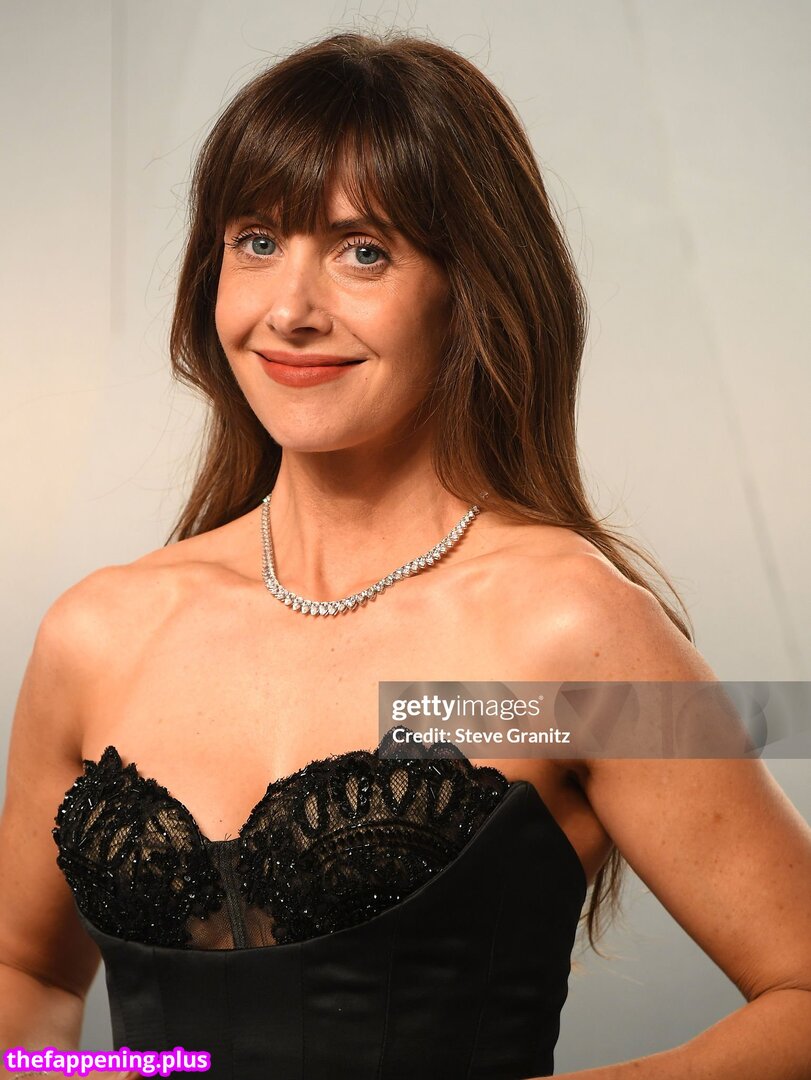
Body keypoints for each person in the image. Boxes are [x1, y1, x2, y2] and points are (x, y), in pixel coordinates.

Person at [1, 28, 810, 1080]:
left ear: (467, 288)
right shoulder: (97, 634)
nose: (290, 310)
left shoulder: (571, 635)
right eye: (256, 241)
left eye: (363, 251)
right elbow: (29, 975)